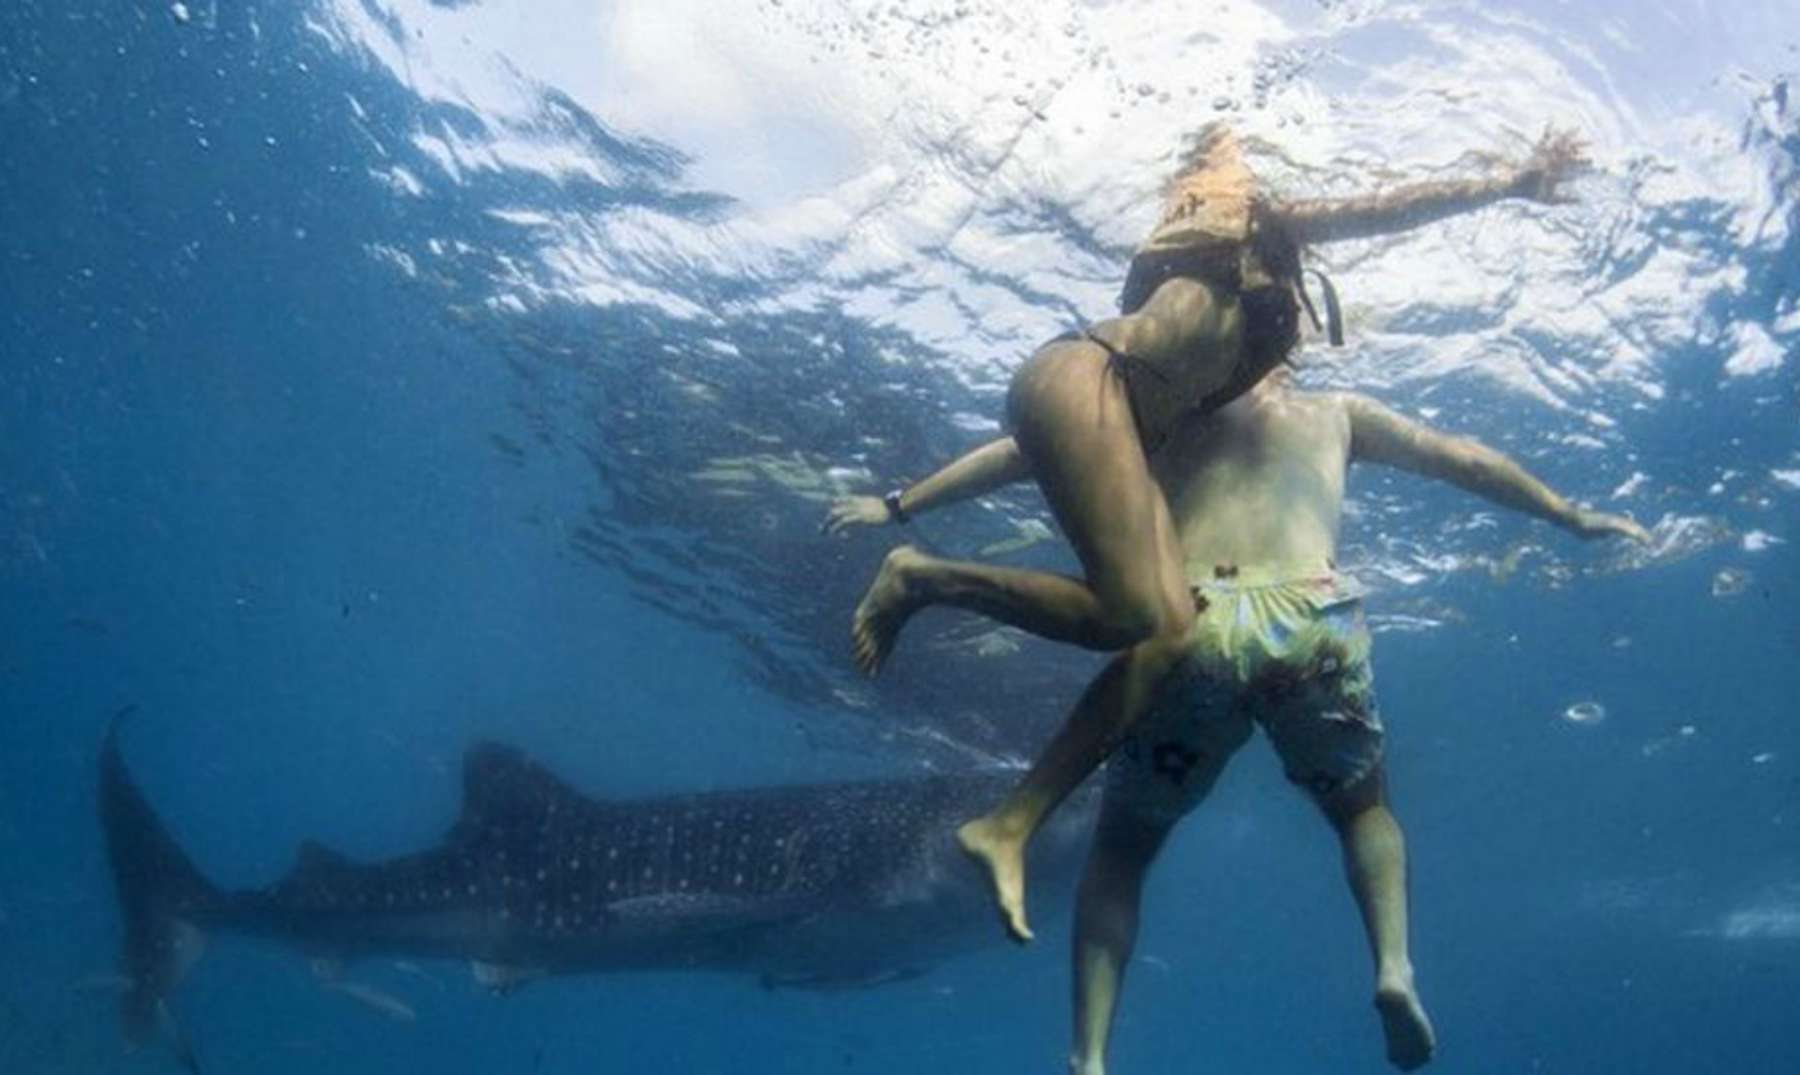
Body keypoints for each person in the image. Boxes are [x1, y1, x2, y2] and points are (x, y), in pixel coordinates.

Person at [827, 127, 1592, 943]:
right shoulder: (1251, 231)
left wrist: (904, 497)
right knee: (1133, 619)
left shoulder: (1186, 334)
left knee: (1167, 634)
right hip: (1081, 379)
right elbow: (1387, 211)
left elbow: (1024, 449)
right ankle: (919, 578)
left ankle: (1010, 824)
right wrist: (1512, 181)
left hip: (1083, 394)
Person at [832, 365, 1647, 1071]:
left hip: (1195, 619)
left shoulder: (1159, 418)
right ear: (1283, 349)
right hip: (1312, 616)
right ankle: (1394, 967)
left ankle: (1090, 1056)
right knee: (1364, 812)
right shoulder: (1337, 412)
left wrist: (900, 503)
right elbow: (1460, 458)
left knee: (1120, 852)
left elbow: (1024, 453)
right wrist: (1567, 514)